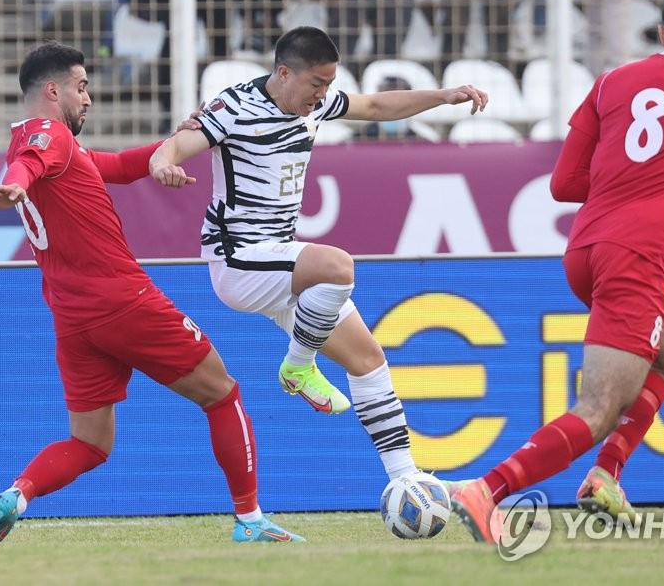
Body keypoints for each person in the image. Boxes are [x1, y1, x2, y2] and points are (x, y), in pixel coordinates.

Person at [450, 0, 664, 543]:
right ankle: (486, 491)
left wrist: (645, 182)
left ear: (661, 34)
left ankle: (606, 474)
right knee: (600, 405)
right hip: (636, 258)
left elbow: (563, 184)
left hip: (585, 251)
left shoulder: (611, 81)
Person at [0, 41, 302, 544]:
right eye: (81, 87)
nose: (88, 98)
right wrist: (15, 184)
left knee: (90, 442)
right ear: (52, 90)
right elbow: (33, 162)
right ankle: (250, 521)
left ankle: (17, 495)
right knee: (222, 393)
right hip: (123, 301)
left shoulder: (51, 145)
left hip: (73, 320)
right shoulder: (47, 135)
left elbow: (122, 164)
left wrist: (192, 139)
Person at [147, 26, 487, 483]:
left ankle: (407, 478)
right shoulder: (234, 107)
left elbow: (375, 106)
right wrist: (162, 164)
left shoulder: (315, 101)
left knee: (368, 360)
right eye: (316, 84)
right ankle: (298, 365)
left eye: (329, 84)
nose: (323, 95)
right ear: (284, 73)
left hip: (281, 264)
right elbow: (176, 144)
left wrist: (444, 96)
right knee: (337, 266)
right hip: (239, 259)